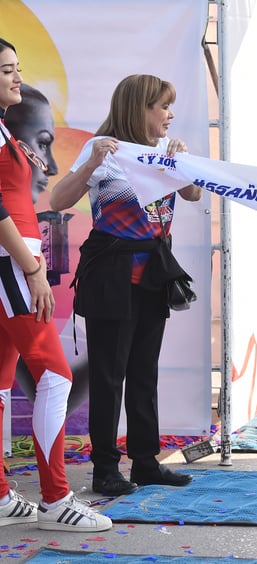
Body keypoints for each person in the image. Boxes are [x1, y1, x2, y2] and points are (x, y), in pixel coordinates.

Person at [49, 74, 201, 497]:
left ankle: (147, 463)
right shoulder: (103, 149)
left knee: (143, 372)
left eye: (171, 107)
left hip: (154, 272)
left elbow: (191, 195)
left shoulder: (163, 152)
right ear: (140, 109)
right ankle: (104, 470)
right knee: (108, 374)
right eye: (163, 107)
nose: (170, 115)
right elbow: (59, 200)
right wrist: (91, 163)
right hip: (111, 274)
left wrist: (181, 164)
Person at [0, 36, 112, 532]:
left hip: (14, 260)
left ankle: (4, 497)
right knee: (55, 377)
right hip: (12, 262)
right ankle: (56, 499)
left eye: (17, 68)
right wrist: (30, 265)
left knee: (3, 382)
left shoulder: (5, 131)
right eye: (6, 71)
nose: (16, 78)